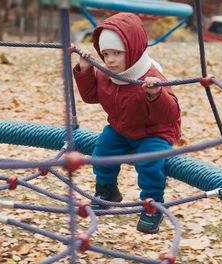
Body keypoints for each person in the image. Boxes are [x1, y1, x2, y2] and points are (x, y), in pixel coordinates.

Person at [72, 12, 181, 234]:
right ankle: (107, 190)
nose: (110, 60)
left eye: (117, 53)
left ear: (133, 50)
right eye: (106, 54)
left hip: (154, 132)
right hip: (121, 128)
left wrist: (155, 95)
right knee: (102, 151)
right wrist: (85, 69)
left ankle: (152, 205)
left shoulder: (151, 76)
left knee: (150, 164)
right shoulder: (107, 72)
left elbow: (168, 116)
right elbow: (92, 96)